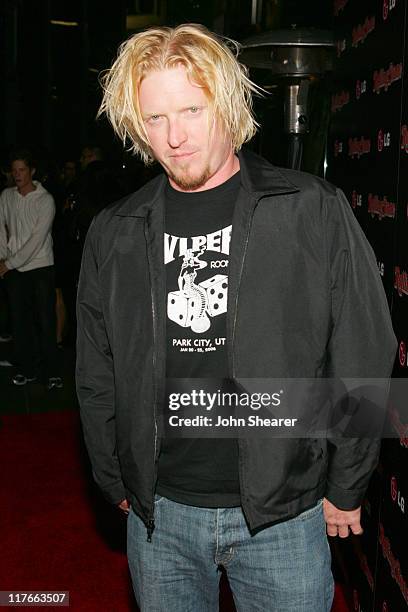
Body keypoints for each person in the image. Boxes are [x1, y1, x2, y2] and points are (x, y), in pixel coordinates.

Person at [76, 24, 397, 612]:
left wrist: (347, 483)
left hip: (284, 515)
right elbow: (96, 368)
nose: (174, 137)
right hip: (160, 516)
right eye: (154, 118)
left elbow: (364, 346)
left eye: (191, 110)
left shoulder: (310, 209)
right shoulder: (115, 230)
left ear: (227, 101)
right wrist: (113, 477)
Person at [0, 149, 62, 389]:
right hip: (13, 269)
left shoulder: (45, 200)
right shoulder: (6, 196)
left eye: (22, 170)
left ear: (32, 171)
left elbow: (37, 239)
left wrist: (8, 263)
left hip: (40, 267)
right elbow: (1, 230)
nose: (17, 174)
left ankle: (52, 373)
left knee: (45, 322)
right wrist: (3, 258)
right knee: (19, 322)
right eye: (14, 170)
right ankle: (27, 369)